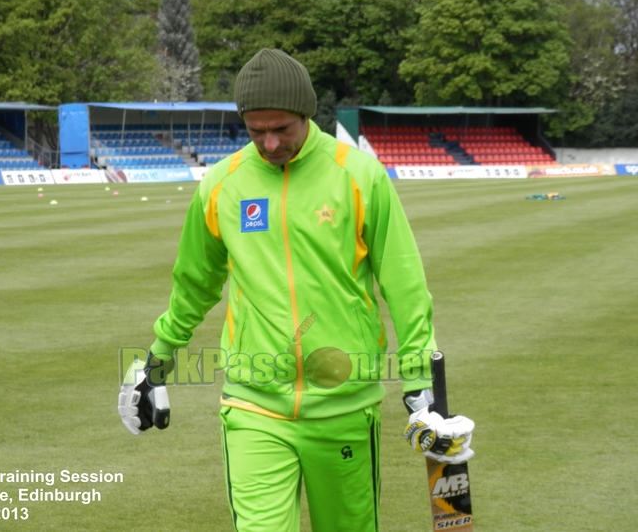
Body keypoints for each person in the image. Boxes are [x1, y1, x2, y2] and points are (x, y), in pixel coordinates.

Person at [119, 48, 474, 532]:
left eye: (281, 128)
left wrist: (420, 385)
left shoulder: (359, 174)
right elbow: (194, 284)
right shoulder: (221, 185)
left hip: (345, 407)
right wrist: (154, 365)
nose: (268, 143)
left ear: (307, 114)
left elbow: (404, 282)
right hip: (253, 406)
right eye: (255, 130)